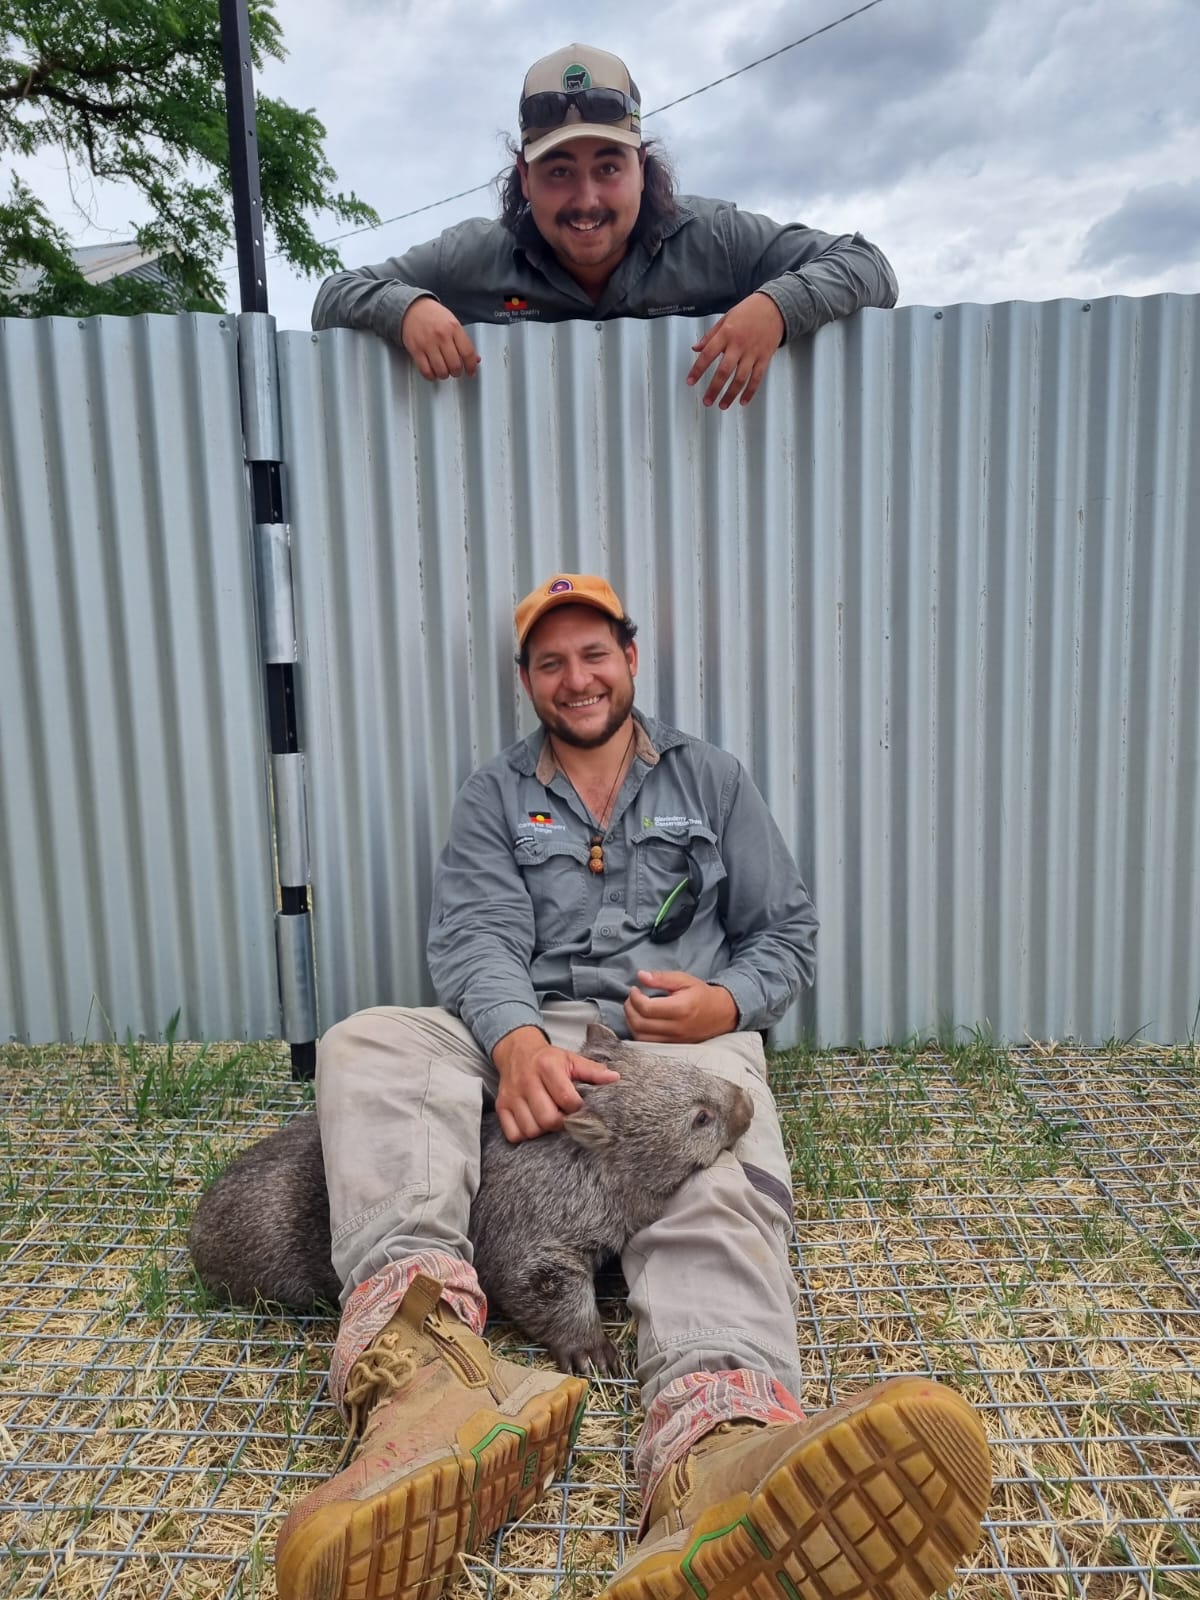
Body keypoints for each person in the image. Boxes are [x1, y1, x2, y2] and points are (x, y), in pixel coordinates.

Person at [273, 573, 992, 1600]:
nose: (577, 678)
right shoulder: (495, 794)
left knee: (719, 1168)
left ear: (631, 659)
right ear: (527, 678)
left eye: (595, 654)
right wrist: (516, 1040)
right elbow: (474, 935)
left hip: (675, 1048)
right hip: (535, 1028)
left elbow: (787, 933)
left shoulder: (712, 780)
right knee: (369, 1042)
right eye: (551, 662)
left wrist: (725, 1002)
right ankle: (422, 1370)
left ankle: (716, 1442)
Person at [311, 43, 898, 410]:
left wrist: (775, 308)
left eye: (609, 168)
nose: (586, 199)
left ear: (642, 168)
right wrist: (407, 308)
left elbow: (870, 266)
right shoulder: (472, 255)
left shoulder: (717, 238)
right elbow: (333, 297)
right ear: (524, 177)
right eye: (559, 171)